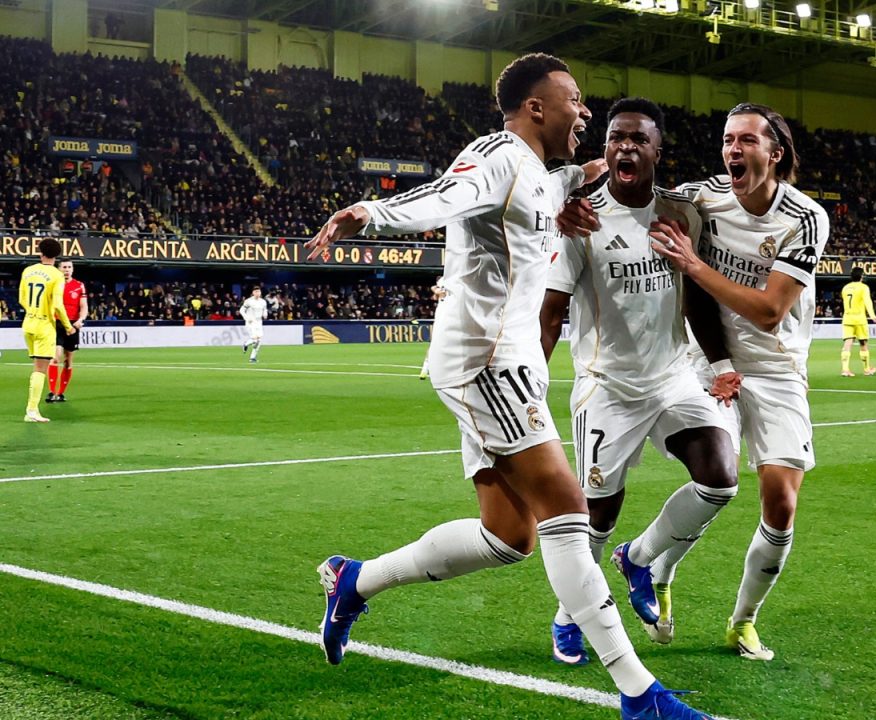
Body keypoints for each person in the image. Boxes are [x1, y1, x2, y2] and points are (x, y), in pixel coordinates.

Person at [303, 53, 715, 720]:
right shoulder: (496, 155)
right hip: (486, 364)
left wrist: (592, 175)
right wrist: (369, 213)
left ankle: (355, 581)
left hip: (505, 364)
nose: (585, 110)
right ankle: (640, 694)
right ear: (535, 107)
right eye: (574, 99)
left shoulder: (541, 174)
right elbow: (444, 195)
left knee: (508, 536)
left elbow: (563, 181)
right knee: (568, 509)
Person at [540, 98, 740, 662]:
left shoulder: (681, 215)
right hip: (607, 387)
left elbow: (697, 295)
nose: (625, 146)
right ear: (606, 148)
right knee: (597, 515)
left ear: (657, 150)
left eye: (638, 139)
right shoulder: (580, 222)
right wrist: (531, 380)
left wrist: (721, 365)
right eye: (616, 137)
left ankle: (639, 559)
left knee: (720, 479)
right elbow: (551, 312)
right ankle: (569, 615)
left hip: (673, 379)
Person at [645, 103, 829, 662]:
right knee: (715, 480)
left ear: (775, 152)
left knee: (781, 502)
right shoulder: (700, 198)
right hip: (709, 362)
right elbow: (633, 196)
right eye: (728, 139)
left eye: (746, 140)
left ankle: (743, 620)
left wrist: (694, 265)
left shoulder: (805, 217)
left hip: (777, 368)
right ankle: (655, 568)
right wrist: (578, 195)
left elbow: (771, 311)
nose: (733, 149)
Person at [19, 239, 76, 422]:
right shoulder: (57, 275)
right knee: (40, 369)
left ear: (40, 252)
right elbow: (58, 305)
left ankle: (32, 410)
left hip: (28, 323)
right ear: (56, 256)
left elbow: (22, 299)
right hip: (44, 326)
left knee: (36, 366)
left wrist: (32, 312)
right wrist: (68, 326)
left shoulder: (28, 271)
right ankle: (32, 411)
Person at [47, 258, 88, 402]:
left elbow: (83, 306)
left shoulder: (79, 285)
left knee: (68, 361)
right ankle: (52, 392)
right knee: (55, 357)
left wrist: (80, 320)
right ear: (58, 269)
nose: (67, 270)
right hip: (57, 323)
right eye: (64, 267)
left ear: (73, 269)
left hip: (73, 325)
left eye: (69, 267)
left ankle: (61, 393)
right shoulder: (53, 284)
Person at [840, 266, 876, 376]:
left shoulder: (845, 288)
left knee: (847, 343)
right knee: (863, 343)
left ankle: (845, 370)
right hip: (859, 319)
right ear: (861, 276)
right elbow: (867, 302)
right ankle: (867, 369)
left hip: (847, 318)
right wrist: (872, 315)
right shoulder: (863, 287)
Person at [420, 276, 446, 380]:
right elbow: (435, 293)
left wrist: (436, 290)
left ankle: (426, 368)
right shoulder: (446, 282)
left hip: (446, 315)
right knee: (435, 343)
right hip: (444, 316)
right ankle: (425, 368)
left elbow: (435, 293)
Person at [239, 287, 268, 363]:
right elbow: (241, 310)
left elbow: (265, 309)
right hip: (251, 322)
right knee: (255, 339)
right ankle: (246, 345)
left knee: (259, 341)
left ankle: (252, 357)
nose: (258, 293)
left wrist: (265, 314)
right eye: (256, 291)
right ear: (253, 293)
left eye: (259, 291)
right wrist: (247, 318)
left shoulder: (263, 302)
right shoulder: (248, 301)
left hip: (259, 322)